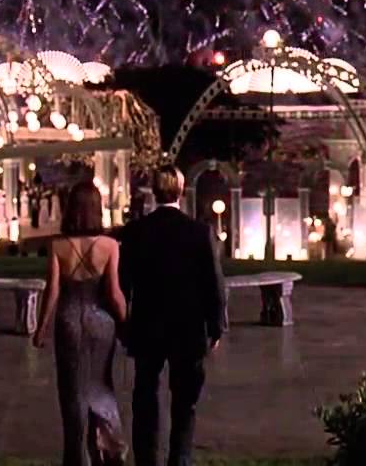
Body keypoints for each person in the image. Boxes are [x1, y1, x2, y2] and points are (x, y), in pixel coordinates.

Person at [118, 165, 225, 466]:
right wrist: (216, 326)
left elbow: (123, 283)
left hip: (148, 325)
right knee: (185, 402)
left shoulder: (137, 231)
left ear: (154, 191)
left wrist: (124, 325)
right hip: (188, 327)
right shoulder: (199, 232)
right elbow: (213, 283)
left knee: (145, 397)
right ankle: (180, 458)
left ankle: (146, 458)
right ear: (180, 190)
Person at [33, 181, 128, 466]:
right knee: (101, 383)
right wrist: (126, 322)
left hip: (69, 321)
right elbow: (114, 293)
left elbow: (52, 291)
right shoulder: (110, 246)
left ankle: (76, 455)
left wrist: (41, 328)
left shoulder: (58, 246)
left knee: (72, 389)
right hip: (101, 323)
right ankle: (109, 447)